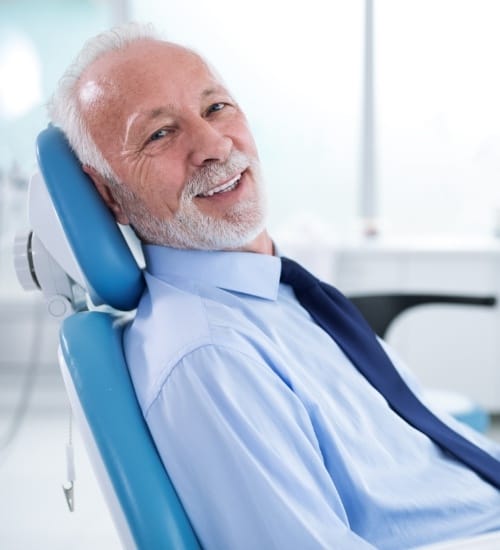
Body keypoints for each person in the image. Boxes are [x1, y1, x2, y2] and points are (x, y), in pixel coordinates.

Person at [49, 22, 500, 550]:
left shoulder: (281, 295)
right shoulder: (209, 355)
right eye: (159, 134)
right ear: (110, 196)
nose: (214, 145)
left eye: (216, 108)